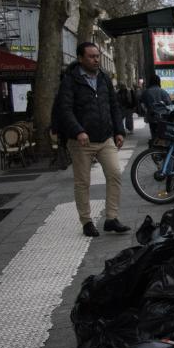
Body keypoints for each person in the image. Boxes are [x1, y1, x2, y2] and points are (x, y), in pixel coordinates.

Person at [55, 42, 130, 237]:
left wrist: (119, 131)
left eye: (97, 56)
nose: (96, 59)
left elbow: (114, 106)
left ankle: (111, 218)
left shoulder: (104, 78)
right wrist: (78, 131)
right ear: (80, 58)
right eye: (91, 56)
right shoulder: (70, 80)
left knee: (114, 174)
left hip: (105, 138)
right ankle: (86, 221)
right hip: (81, 141)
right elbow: (65, 109)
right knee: (83, 182)